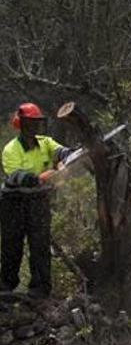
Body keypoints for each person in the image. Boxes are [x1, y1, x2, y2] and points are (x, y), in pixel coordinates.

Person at [1, 103, 71, 298]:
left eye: (36, 122)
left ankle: (40, 289)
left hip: (38, 201)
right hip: (14, 201)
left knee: (40, 245)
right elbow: (19, 177)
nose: (34, 127)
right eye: (30, 123)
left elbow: (63, 152)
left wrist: (65, 160)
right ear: (21, 124)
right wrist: (49, 175)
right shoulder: (11, 150)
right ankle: (6, 287)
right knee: (12, 245)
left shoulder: (46, 142)